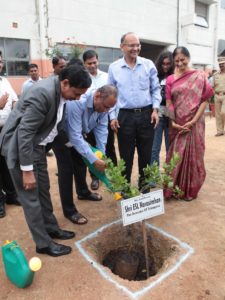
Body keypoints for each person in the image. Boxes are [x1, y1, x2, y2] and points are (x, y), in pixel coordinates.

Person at [0, 64, 92, 256]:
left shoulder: (60, 91)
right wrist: (26, 171)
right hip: (21, 149)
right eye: (76, 93)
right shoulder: (43, 93)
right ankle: (43, 244)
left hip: (38, 147)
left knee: (43, 190)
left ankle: (51, 228)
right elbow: (24, 133)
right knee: (31, 197)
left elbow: (53, 124)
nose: (78, 98)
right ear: (65, 83)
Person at [108, 32, 161, 188]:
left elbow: (156, 89)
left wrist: (155, 109)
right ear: (122, 47)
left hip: (146, 115)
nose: (135, 48)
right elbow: (111, 94)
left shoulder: (148, 64)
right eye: (131, 45)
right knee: (126, 157)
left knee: (145, 156)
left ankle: (144, 191)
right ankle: (125, 192)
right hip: (124, 117)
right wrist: (112, 116)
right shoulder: (114, 68)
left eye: (138, 45)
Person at [166, 46, 213, 201]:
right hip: (177, 124)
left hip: (195, 123)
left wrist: (193, 121)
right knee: (176, 156)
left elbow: (205, 99)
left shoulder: (199, 76)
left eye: (182, 60)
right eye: (177, 61)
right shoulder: (170, 79)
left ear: (188, 58)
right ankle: (174, 188)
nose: (179, 63)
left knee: (194, 155)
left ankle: (190, 190)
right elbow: (168, 102)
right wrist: (172, 121)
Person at [65, 85, 117, 208]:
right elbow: (75, 136)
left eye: (109, 108)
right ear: (97, 96)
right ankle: (69, 210)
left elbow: (102, 131)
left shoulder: (104, 108)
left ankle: (83, 192)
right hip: (62, 135)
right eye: (105, 106)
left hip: (78, 134)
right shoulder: (78, 102)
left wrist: (101, 155)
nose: (106, 111)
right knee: (66, 170)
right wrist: (93, 159)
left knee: (80, 163)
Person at [83, 50, 117, 191]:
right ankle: (95, 177)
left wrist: (112, 115)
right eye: (89, 63)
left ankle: (114, 174)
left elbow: (113, 96)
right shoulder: (83, 79)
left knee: (108, 146)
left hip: (104, 118)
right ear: (84, 64)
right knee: (90, 148)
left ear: (98, 61)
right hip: (86, 122)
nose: (92, 65)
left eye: (94, 62)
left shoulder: (107, 76)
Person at [0, 50, 19, 218]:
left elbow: (14, 99)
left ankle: (12, 196)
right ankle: (0, 202)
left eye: (0, 61)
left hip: (5, 130)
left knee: (6, 163)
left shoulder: (4, 80)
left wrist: (13, 107)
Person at [151, 51, 173, 166]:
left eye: (168, 64)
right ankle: (153, 177)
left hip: (170, 111)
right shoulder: (155, 76)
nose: (165, 66)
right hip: (158, 110)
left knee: (170, 146)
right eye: (163, 64)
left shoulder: (175, 76)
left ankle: (169, 176)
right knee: (155, 147)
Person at [212, 57, 225, 136]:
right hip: (217, 95)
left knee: (224, 112)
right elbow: (212, 86)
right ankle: (220, 131)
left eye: (223, 64)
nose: (221, 65)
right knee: (218, 114)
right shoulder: (215, 74)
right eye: (220, 64)